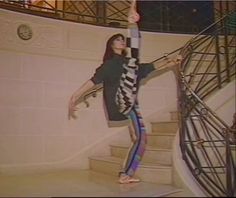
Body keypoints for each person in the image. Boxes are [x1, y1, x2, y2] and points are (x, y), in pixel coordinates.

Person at [68, 0, 182, 184]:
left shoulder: (130, 64)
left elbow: (151, 67)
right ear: (111, 45)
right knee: (142, 138)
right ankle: (125, 174)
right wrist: (74, 97)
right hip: (123, 102)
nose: (121, 41)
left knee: (138, 138)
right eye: (118, 40)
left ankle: (125, 172)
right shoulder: (110, 65)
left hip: (131, 102)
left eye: (122, 39)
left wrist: (171, 62)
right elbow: (92, 82)